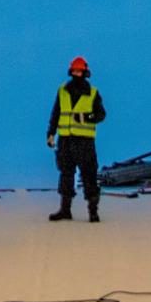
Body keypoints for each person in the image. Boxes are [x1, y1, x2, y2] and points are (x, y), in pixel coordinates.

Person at [45, 55, 107, 223]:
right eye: (74, 70)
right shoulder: (63, 90)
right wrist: (50, 133)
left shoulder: (93, 93)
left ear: (85, 72)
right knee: (66, 174)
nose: (76, 73)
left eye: (79, 71)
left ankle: (93, 211)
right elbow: (56, 113)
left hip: (84, 142)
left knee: (89, 175)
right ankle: (65, 210)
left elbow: (101, 115)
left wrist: (87, 117)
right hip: (65, 140)